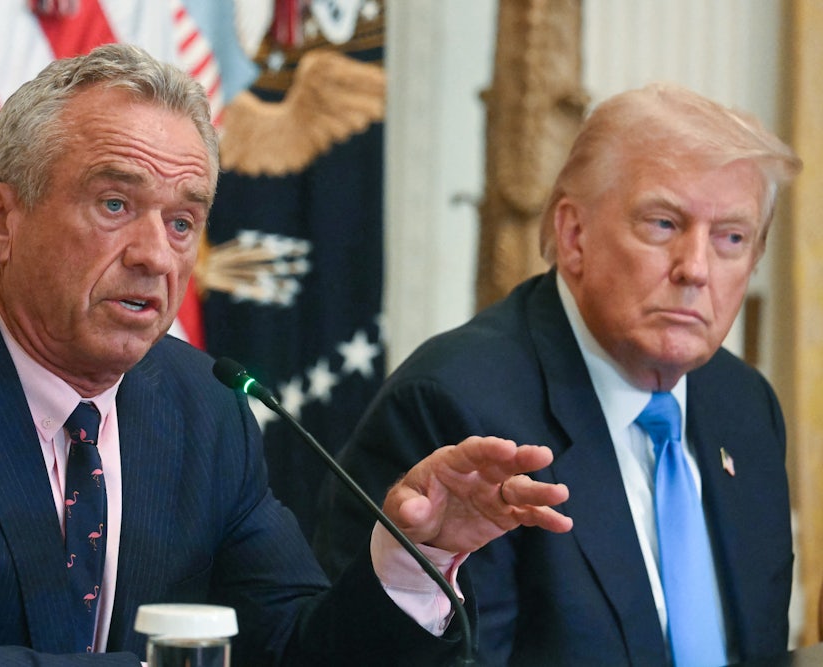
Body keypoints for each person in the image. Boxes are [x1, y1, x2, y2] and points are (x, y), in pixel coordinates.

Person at [0, 43, 572, 666]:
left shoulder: (205, 407)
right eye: (115, 205)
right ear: (0, 220)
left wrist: (414, 564)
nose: (156, 255)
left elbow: (291, 651)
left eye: (183, 222)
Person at [315, 83, 803, 666]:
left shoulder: (745, 406)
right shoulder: (457, 407)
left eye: (731, 238)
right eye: (664, 224)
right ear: (574, 235)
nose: (695, 269)